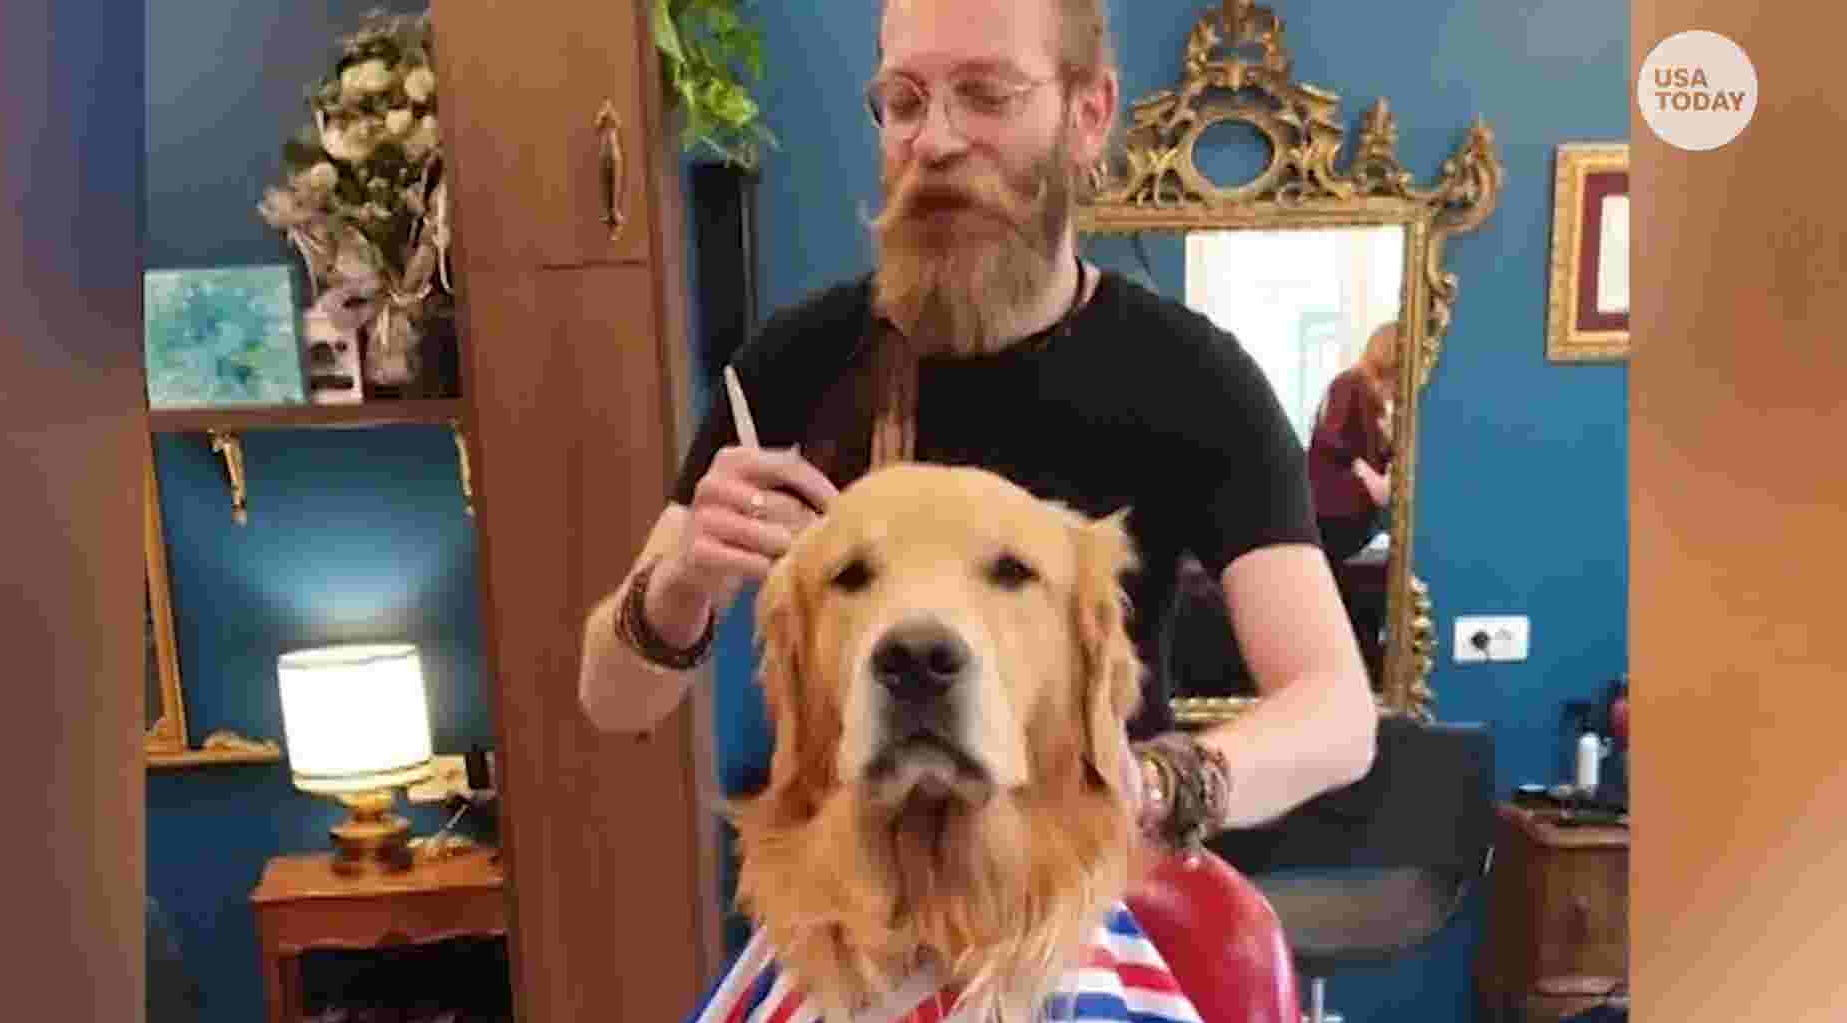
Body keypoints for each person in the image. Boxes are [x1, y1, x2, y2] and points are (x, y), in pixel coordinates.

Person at [581, 0, 1373, 863]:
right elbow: (611, 697)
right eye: (907, 100)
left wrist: (1154, 786)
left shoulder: (1194, 381)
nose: (936, 141)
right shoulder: (790, 371)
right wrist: (681, 582)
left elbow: (1335, 711)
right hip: (858, 921)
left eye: (987, 95)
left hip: (1082, 904)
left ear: (1088, 113)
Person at [1308, 321, 1398, 566]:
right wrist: (1367, 473)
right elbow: (1329, 437)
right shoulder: (1350, 383)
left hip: (1349, 517)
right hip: (1336, 517)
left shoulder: (1372, 397)